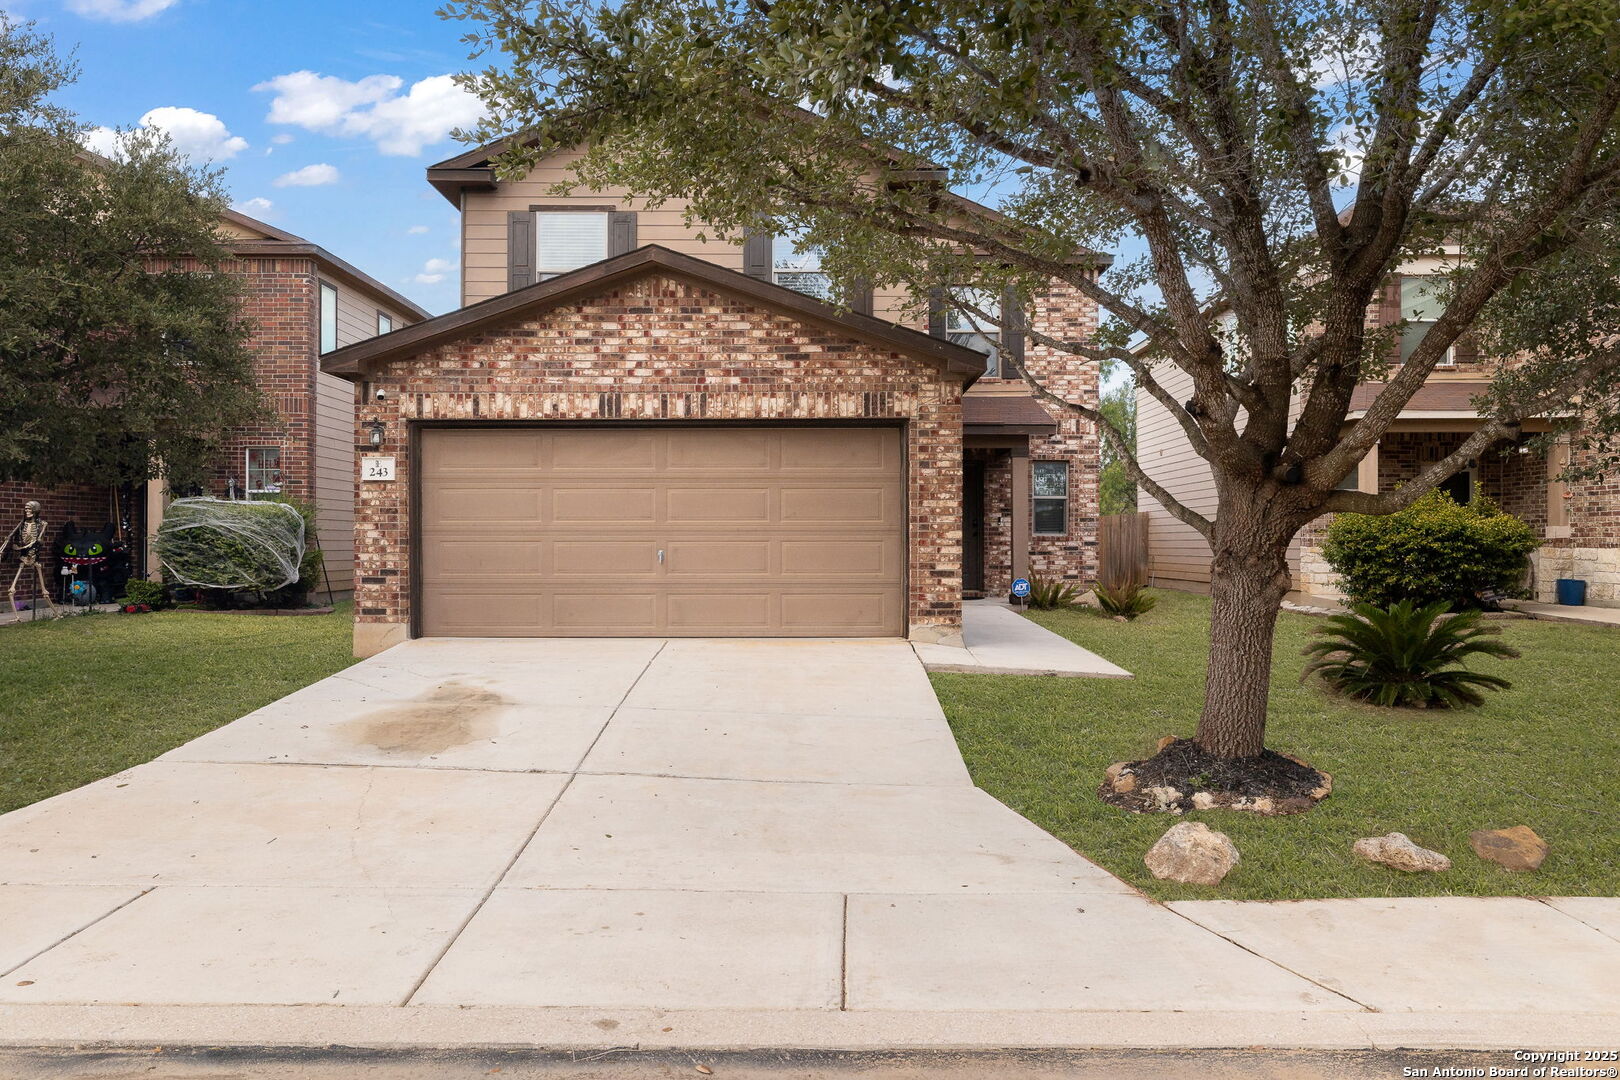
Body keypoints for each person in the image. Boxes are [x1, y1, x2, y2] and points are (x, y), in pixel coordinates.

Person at [2, 500, 58, 615]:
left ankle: (57, 613)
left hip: (33, 555)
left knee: (44, 590)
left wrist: (25, 548)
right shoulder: (22, 523)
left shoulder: (42, 524)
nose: (27, 510)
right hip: (23, 554)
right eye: (26, 509)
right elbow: (11, 536)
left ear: (35, 510)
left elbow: (38, 541)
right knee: (11, 590)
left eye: (29, 508)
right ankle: (17, 617)